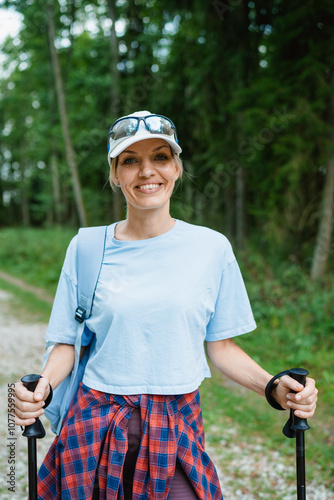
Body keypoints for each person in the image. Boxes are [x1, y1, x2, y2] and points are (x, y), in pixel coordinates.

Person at [14, 111, 318, 500]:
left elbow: (221, 347)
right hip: (94, 421)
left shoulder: (212, 249)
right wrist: (38, 391)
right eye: (130, 161)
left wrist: (275, 388)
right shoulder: (86, 248)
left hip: (176, 421)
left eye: (159, 157)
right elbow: (67, 343)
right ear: (115, 173)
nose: (146, 172)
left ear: (175, 168)